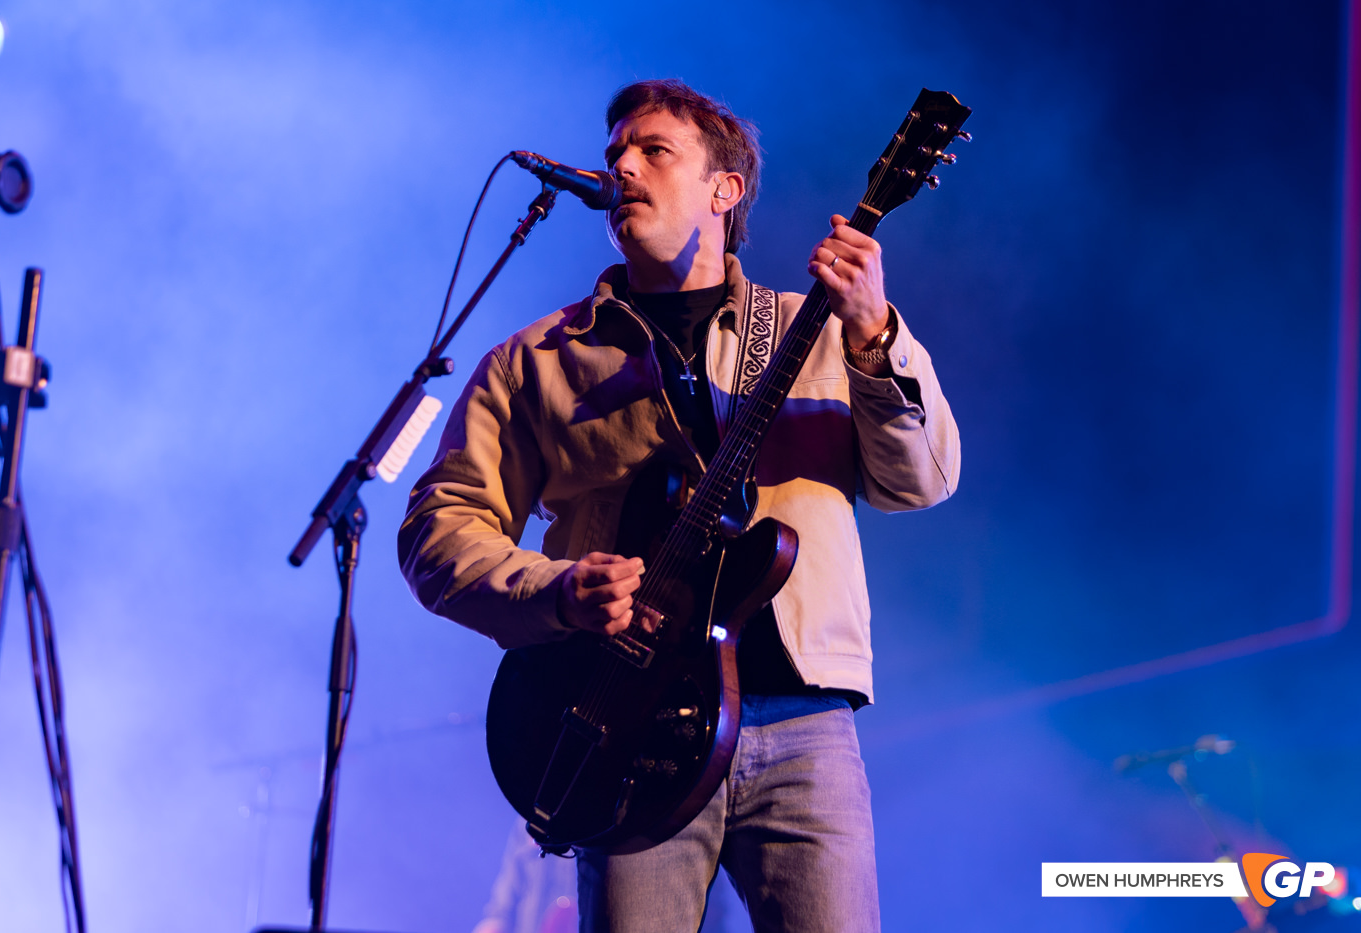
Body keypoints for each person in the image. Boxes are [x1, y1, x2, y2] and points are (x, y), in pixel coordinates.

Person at [400, 79, 960, 933]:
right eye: (616, 150)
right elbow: (440, 528)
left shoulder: (818, 329)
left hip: (802, 719)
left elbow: (921, 480)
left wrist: (877, 335)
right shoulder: (539, 362)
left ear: (723, 190)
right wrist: (554, 590)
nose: (621, 164)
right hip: (626, 723)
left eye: (653, 149)